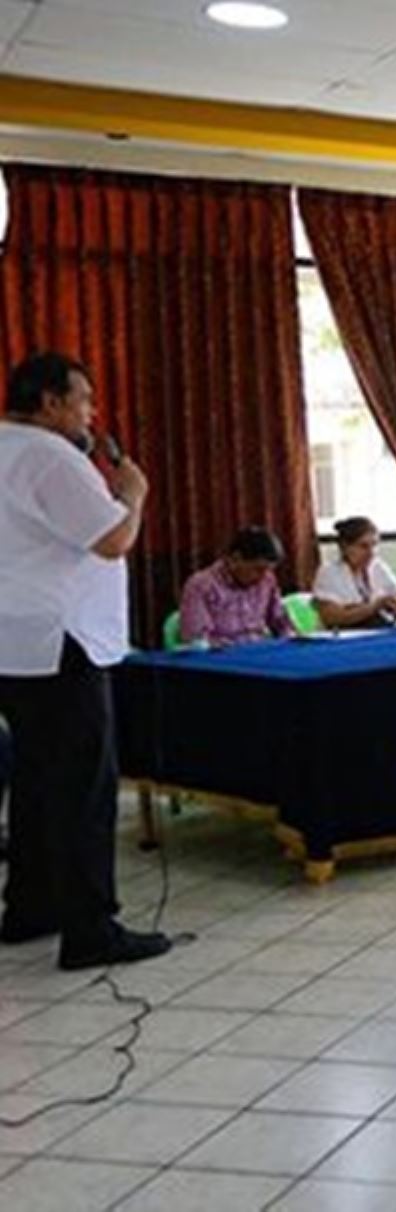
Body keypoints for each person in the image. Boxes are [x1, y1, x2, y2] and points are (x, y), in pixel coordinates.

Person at [0, 352, 170, 968]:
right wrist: (135, 493)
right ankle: (91, 929)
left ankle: (30, 907)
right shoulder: (52, 456)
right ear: (50, 403)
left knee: (36, 780)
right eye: (84, 401)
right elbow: (112, 540)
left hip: (13, 643)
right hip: (62, 640)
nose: (91, 414)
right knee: (84, 786)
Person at [179, 526, 296, 647]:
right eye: (258, 569)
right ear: (235, 559)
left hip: (260, 649)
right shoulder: (201, 585)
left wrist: (291, 636)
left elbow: (280, 622)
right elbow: (197, 639)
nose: (264, 576)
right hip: (223, 657)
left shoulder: (267, 580)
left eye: (269, 570)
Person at [312, 516, 396, 629]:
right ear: (345, 547)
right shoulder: (329, 572)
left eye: (374, 545)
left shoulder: (377, 566)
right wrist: (375, 606)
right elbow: (331, 618)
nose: (371, 553)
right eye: (363, 546)